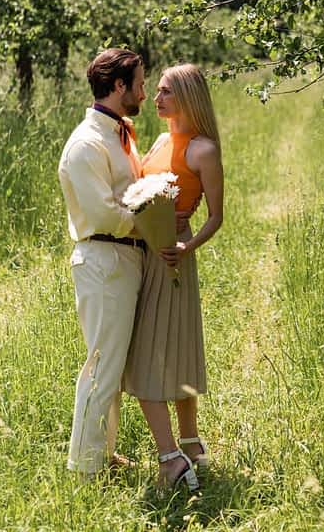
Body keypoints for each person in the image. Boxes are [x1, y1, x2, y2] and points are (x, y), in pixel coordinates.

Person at [125, 63, 223, 491]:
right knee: (159, 347)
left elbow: (217, 217)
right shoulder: (161, 139)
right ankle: (187, 444)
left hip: (174, 253)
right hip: (144, 251)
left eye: (166, 92)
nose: (158, 99)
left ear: (186, 96)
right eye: (158, 91)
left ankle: (179, 452)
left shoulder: (203, 150)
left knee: (169, 348)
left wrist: (186, 246)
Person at [58, 48, 147, 477]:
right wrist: (153, 223)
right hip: (103, 259)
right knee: (101, 366)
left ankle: (102, 453)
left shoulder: (117, 133)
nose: (145, 93)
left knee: (112, 365)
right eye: (140, 84)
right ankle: (85, 468)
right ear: (118, 87)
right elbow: (104, 214)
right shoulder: (86, 144)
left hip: (122, 258)